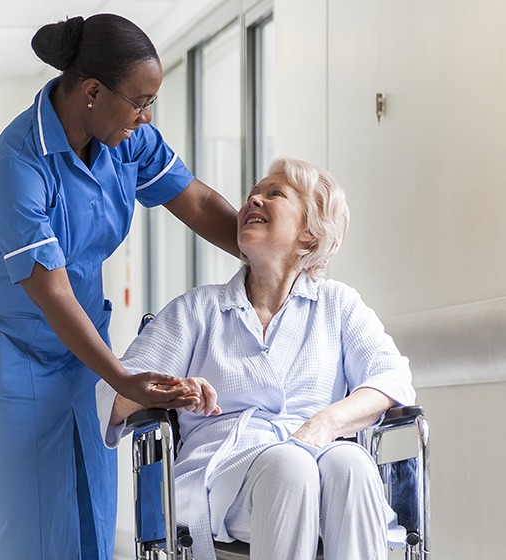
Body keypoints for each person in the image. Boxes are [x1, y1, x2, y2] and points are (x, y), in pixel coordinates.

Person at [0, 13, 238, 560]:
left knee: (91, 508)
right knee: (28, 525)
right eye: (140, 100)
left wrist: (265, 253)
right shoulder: (16, 165)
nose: (147, 116)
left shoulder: (126, 139)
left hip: (82, 345)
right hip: (4, 347)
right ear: (93, 92)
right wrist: (124, 376)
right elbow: (50, 289)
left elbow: (193, 200)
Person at [97, 157, 416, 560]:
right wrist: (169, 392)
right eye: (252, 194)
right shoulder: (198, 309)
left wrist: (326, 423)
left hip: (321, 456)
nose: (254, 200)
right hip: (225, 473)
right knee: (291, 466)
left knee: (351, 462)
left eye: (274, 194)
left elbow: (391, 378)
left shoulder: (339, 305)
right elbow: (112, 397)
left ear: (308, 233)